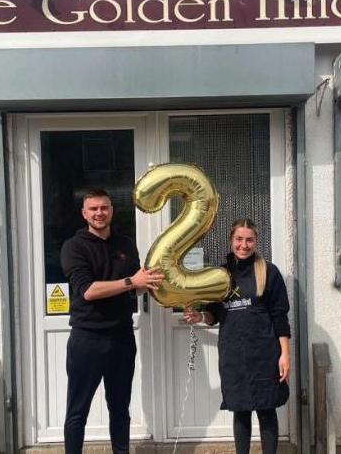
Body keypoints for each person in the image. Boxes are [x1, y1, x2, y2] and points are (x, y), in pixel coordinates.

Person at [60, 189, 164, 454]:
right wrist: (132, 281)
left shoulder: (126, 245)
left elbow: (137, 287)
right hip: (87, 340)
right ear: (84, 214)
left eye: (104, 208)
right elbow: (88, 291)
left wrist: (155, 284)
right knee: (77, 411)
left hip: (121, 338)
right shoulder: (74, 247)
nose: (99, 213)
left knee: (120, 409)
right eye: (93, 209)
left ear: (111, 210)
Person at [183, 218, 291, 454]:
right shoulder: (219, 275)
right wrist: (199, 317)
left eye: (249, 240)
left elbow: (280, 316)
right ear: (231, 241)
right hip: (233, 354)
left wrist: (284, 354)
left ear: (256, 241)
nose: (244, 245)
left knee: (266, 409)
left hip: (264, 354)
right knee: (240, 410)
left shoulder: (269, 272)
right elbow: (214, 314)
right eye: (239, 239)